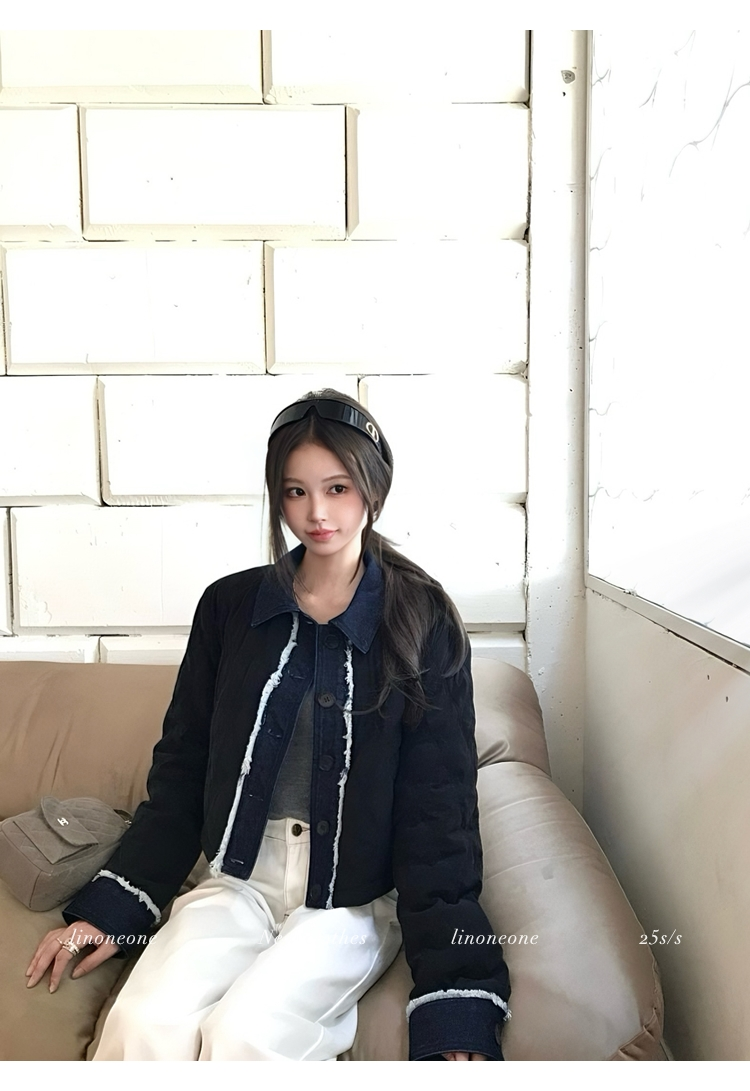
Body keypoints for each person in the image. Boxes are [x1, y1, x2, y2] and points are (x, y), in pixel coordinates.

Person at [25, 388, 511, 1061]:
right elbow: (183, 767)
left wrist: (456, 996)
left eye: (337, 488)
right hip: (236, 881)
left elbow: (440, 810)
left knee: (245, 1034)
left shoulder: (424, 619)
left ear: (373, 487)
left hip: (350, 900)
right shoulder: (229, 607)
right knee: (141, 1022)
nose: (317, 513)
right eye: (295, 491)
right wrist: (113, 910)